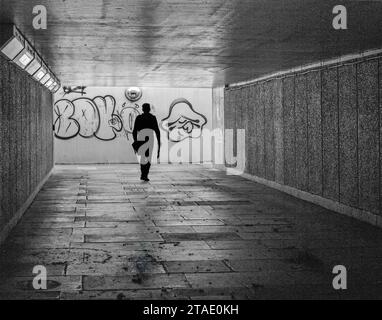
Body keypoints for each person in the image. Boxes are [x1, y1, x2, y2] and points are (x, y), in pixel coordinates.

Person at [132, 103, 161, 181]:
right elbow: (157, 131)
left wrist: (135, 141)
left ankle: (143, 174)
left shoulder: (139, 117)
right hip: (149, 137)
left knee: (143, 157)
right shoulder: (152, 117)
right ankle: (145, 174)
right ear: (149, 109)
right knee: (148, 157)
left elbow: (134, 130)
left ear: (142, 109)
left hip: (141, 136)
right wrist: (159, 141)